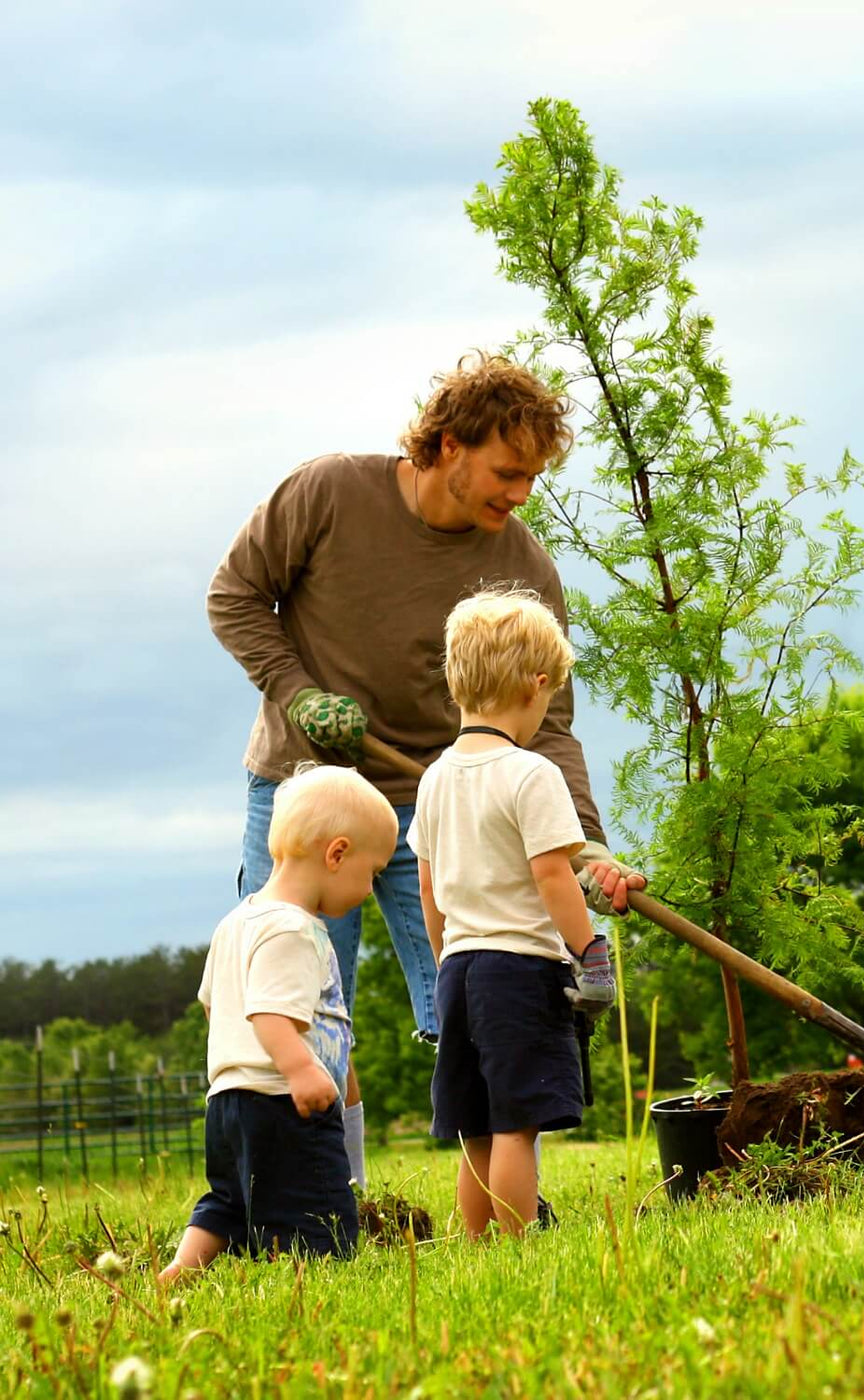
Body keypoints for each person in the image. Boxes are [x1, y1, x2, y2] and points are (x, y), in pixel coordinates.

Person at [206, 353, 645, 1182]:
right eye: (509, 472)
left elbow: (548, 728)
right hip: (306, 792)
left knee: (480, 996)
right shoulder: (328, 493)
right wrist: (298, 696)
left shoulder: (523, 567)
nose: (521, 495)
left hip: (441, 803)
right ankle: (335, 1196)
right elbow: (233, 595)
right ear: (448, 444)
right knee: (293, 999)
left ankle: (504, 1196)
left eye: (532, 479)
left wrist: (583, 847)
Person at [408, 588, 616, 1237]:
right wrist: (590, 952)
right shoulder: (532, 774)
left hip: (461, 972)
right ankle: (518, 1248)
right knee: (516, 1125)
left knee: (475, 1128)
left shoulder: (434, 777)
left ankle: (477, 1247)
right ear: (536, 684)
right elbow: (555, 875)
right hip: (521, 971)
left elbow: (428, 885)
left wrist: (445, 965)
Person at [159, 765, 399, 1282]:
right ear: (336, 854)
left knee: (227, 1200)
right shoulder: (294, 929)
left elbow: (212, 1004)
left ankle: (182, 1268)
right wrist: (300, 1070)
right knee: (320, 1212)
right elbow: (269, 1013)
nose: (369, 888)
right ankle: (310, 1283)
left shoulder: (237, 921)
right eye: (371, 872)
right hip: (283, 1101)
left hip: (228, 1100)